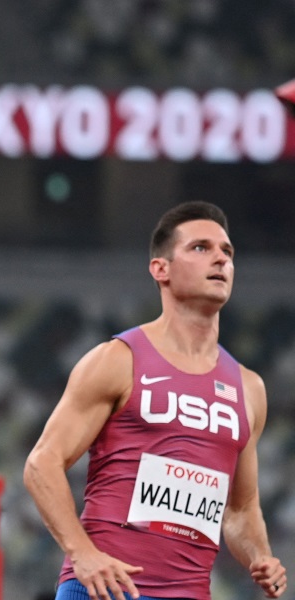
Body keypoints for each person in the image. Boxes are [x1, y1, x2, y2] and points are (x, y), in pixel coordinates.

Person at [24, 201, 287, 600]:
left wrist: (260, 555)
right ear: (160, 269)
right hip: (106, 589)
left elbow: (240, 509)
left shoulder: (249, 389)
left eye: (227, 252)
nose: (220, 258)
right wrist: (82, 553)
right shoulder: (117, 360)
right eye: (201, 248)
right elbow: (42, 463)